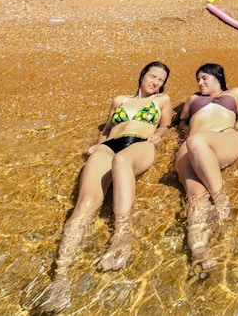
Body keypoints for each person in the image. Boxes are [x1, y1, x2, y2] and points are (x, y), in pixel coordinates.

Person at [37, 61, 173, 313]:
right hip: (109, 145)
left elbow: (165, 125)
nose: (155, 82)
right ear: (142, 75)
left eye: (160, 80)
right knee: (84, 205)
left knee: (122, 161)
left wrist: (160, 135)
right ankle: (60, 279)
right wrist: (97, 145)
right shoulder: (119, 100)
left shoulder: (162, 101)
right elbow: (108, 128)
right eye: (152, 76)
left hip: (139, 144)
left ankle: (121, 237)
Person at [175, 63, 238, 270]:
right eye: (198, 79)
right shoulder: (192, 100)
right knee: (195, 196)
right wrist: (186, 130)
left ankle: (220, 199)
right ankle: (199, 252)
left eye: (204, 78)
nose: (200, 83)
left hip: (223, 137)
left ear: (218, 77)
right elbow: (181, 122)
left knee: (197, 142)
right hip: (192, 144)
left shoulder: (234, 93)